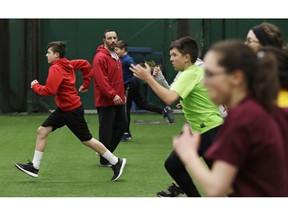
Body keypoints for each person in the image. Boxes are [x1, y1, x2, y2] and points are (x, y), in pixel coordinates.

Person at [173, 40, 288, 196]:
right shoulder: (263, 109)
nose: (205, 82)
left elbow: (217, 188)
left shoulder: (243, 118)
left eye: (211, 74)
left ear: (236, 77)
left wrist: (189, 155)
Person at [14, 41, 126, 181]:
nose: (46, 55)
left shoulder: (56, 68)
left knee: (87, 140)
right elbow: (85, 64)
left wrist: (35, 86)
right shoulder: (68, 64)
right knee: (42, 130)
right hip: (65, 109)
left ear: (56, 55)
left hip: (71, 110)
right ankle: (34, 167)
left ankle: (116, 162)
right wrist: (85, 83)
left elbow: (50, 90)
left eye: (48, 53)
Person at [130, 36, 224, 197]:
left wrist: (148, 78)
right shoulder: (193, 71)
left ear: (186, 57)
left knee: (225, 186)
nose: (171, 59)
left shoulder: (190, 73)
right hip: (198, 130)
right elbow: (176, 93)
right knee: (173, 165)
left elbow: (169, 98)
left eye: (174, 55)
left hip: (210, 131)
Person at [114, 40, 174, 141]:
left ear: (123, 50)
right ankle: (164, 110)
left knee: (125, 109)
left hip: (130, 85)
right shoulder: (121, 59)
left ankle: (125, 133)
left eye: (117, 49)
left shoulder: (127, 60)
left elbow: (137, 68)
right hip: (133, 84)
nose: (115, 51)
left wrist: (149, 72)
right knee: (142, 104)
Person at [92, 30, 127, 166]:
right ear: (104, 40)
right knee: (106, 130)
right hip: (106, 101)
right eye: (109, 38)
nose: (112, 40)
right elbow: (102, 81)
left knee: (122, 124)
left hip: (118, 99)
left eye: (114, 38)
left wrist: (120, 94)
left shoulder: (115, 55)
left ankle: (107, 154)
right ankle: (104, 159)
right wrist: (113, 94)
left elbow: (117, 79)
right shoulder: (100, 58)